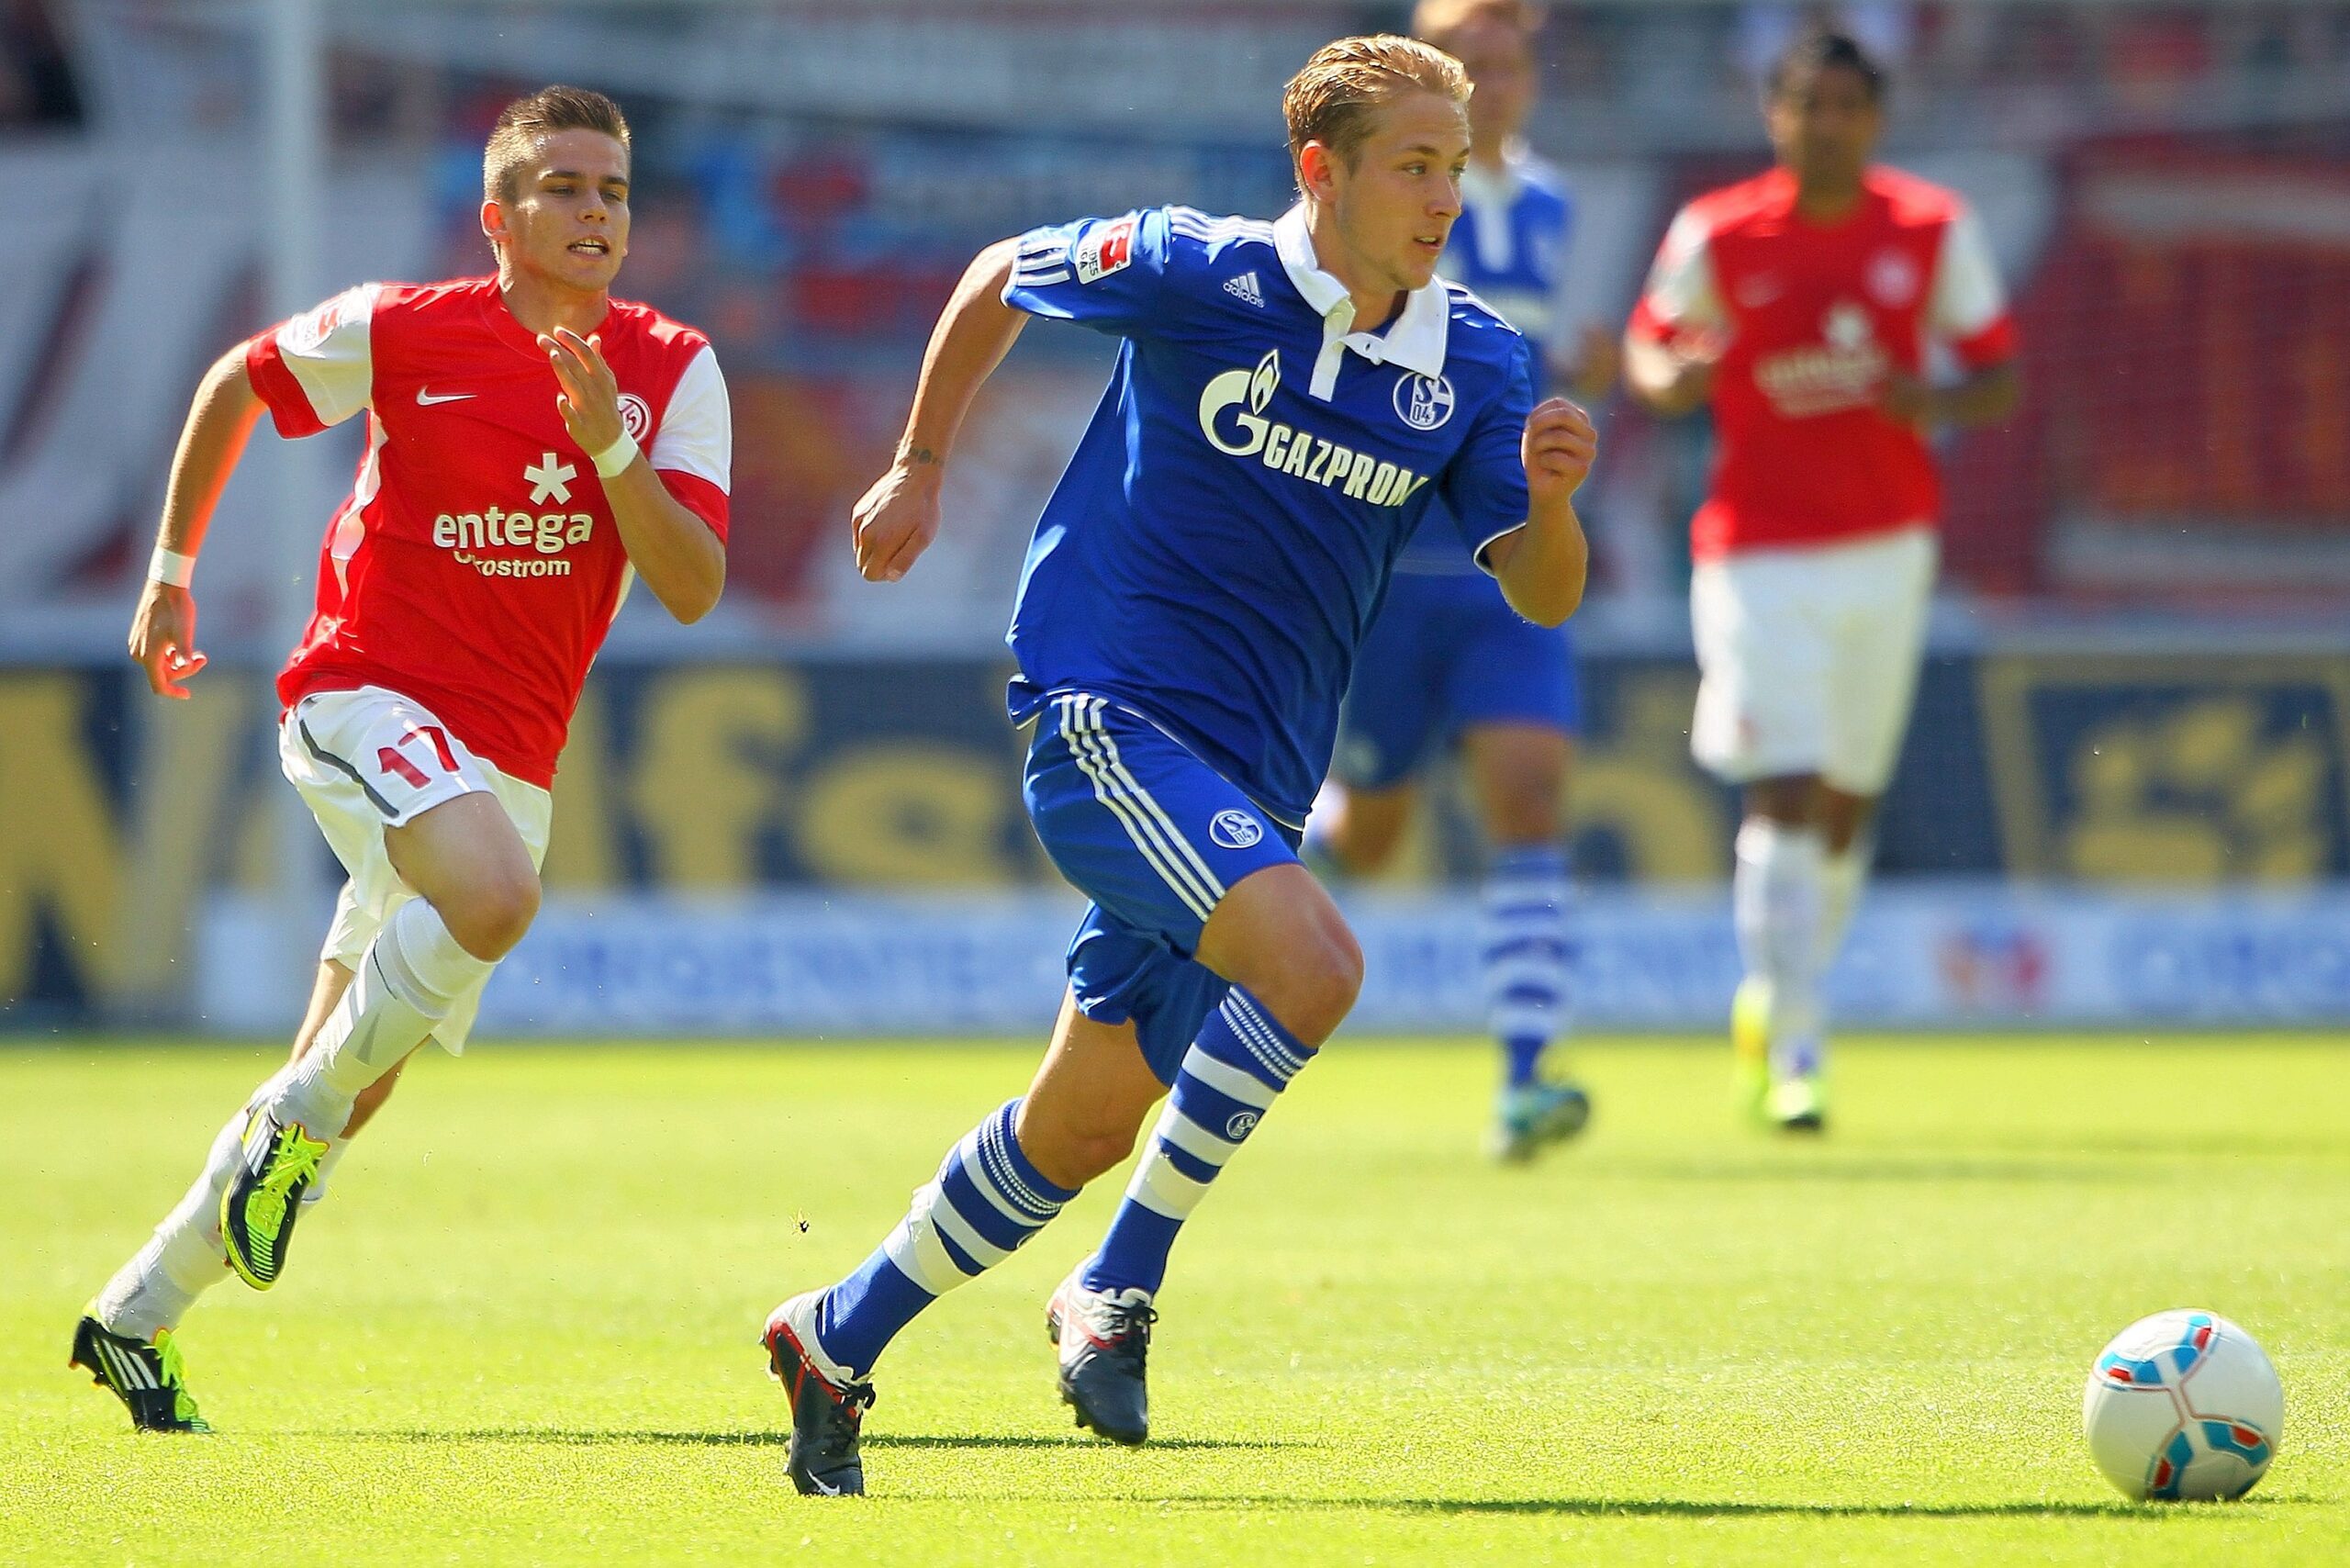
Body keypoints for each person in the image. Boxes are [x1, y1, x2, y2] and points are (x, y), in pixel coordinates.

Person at [762, 35, 1595, 1496]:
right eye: (1414, 164)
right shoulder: (1191, 268)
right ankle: (1119, 1289)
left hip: (1252, 783)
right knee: (1320, 966)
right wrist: (920, 462)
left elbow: (1539, 588)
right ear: (1319, 172)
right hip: (1108, 723)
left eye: (1456, 166)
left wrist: (1555, 502)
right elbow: (989, 279)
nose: (1444, 195)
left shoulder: (1476, 358)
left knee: (1077, 1127)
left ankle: (838, 1331)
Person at [73, 85, 732, 1431]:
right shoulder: (404, 327)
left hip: (513, 753)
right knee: (491, 905)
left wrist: (608, 441)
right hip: (363, 693)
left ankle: (133, 1316)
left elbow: (694, 585)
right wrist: (172, 570)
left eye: (611, 188)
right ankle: (282, 1142)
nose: (594, 210)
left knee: (341, 1086)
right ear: (498, 218)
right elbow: (232, 385)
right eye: (561, 186)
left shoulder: (675, 369)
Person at [1621, 31, 2018, 1132]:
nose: (1828, 124)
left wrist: (1926, 404)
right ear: (1776, 116)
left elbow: (1997, 374)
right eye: (1810, 106)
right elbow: (1646, 352)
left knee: (1844, 808)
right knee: (1783, 788)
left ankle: (1781, 994)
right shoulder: (1718, 231)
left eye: (1848, 106)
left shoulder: (1931, 230)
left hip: (1887, 548)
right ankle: (1796, 1036)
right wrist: (1673, 379)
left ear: (1875, 119)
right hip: (1754, 552)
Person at [1308, 0, 1618, 1162]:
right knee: (1376, 837)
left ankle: (1527, 1076)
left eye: (1510, 59)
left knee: (1531, 796)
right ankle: (1258, 885)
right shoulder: (1378, 196)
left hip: (1502, 570)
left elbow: (1524, 357)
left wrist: (1588, 370)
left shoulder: (1550, 204)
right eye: (1471, 62)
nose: (1497, 79)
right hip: (1391, 571)